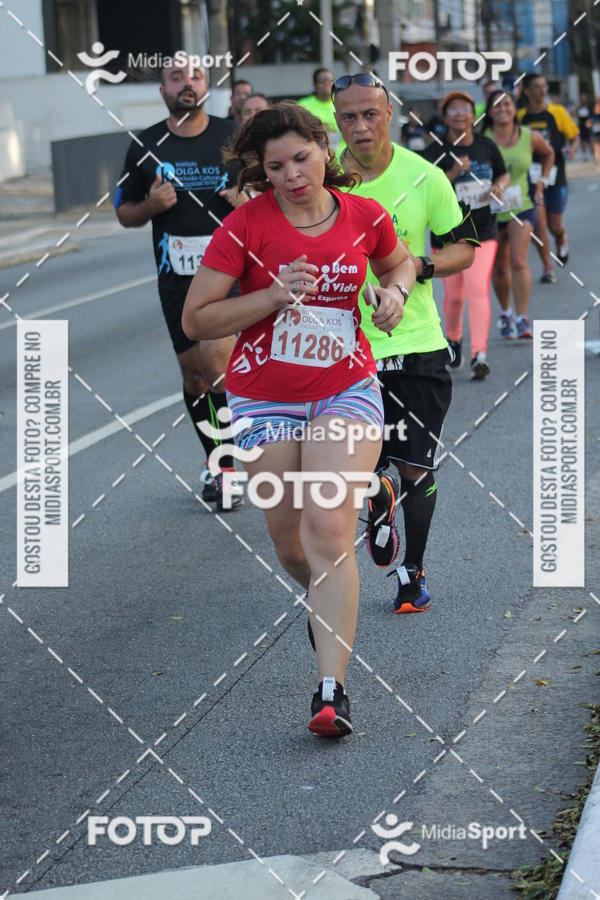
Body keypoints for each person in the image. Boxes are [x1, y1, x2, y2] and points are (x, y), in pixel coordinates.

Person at [182, 102, 415, 737]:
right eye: (275, 166)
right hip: (264, 401)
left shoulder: (364, 214)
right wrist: (272, 295)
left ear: (323, 147)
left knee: (326, 528)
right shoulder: (245, 226)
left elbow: (399, 262)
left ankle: (330, 690)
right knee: (293, 546)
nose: (291, 175)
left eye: (302, 158)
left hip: (345, 388)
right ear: (263, 171)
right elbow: (197, 319)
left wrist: (392, 293)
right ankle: (369, 510)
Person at [333, 73, 477, 613]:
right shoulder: (326, 186)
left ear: (388, 112)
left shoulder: (425, 177)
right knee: (360, 469)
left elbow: (465, 246)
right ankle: (378, 496)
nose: (360, 126)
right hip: (348, 349)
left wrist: (421, 264)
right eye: (348, 117)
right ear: (336, 119)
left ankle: (411, 574)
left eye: (370, 114)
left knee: (417, 465)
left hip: (416, 342)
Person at [114, 57, 243, 510]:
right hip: (176, 278)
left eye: (196, 77)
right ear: (163, 90)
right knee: (194, 376)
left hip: (228, 272)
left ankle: (229, 469)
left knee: (217, 365)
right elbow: (124, 212)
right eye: (176, 78)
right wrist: (150, 205)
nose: (188, 84)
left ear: (207, 86)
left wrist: (249, 197)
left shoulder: (233, 137)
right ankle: (217, 463)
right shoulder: (145, 146)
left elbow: (274, 191)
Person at [422, 91, 510, 380]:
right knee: (455, 296)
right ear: (445, 116)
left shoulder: (486, 145)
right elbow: (425, 190)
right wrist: (453, 172)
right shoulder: (435, 151)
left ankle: (479, 354)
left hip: (483, 230)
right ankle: (455, 340)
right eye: (454, 110)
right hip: (447, 234)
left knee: (477, 288)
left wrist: (499, 186)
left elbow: (502, 173)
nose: (460, 114)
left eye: (466, 109)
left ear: (474, 115)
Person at [484, 90, 554, 339]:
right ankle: (505, 313)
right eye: (497, 105)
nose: (502, 108)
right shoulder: (483, 139)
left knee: (518, 260)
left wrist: (541, 182)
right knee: (499, 267)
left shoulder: (529, 136)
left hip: (522, 206)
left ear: (515, 108)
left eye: (507, 104)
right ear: (490, 111)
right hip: (491, 210)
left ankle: (522, 318)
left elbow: (549, 153)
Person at [518, 73, 580, 282]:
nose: (542, 91)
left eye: (544, 86)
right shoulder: (520, 117)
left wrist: (572, 149)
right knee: (539, 222)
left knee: (554, 225)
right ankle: (547, 267)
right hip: (532, 177)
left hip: (555, 174)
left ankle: (561, 238)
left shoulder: (557, 112)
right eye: (537, 87)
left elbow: (575, 135)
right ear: (527, 91)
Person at [298, 68, 341, 148]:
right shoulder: (302, 106)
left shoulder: (342, 103)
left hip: (342, 158)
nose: (327, 83)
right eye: (322, 81)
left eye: (330, 80)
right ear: (315, 85)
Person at [577, 93, 593, 160]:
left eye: (584, 98)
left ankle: (593, 153)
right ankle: (585, 155)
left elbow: (592, 116)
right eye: (582, 98)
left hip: (588, 124)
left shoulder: (589, 107)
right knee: (582, 140)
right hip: (581, 125)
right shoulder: (579, 107)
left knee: (590, 139)